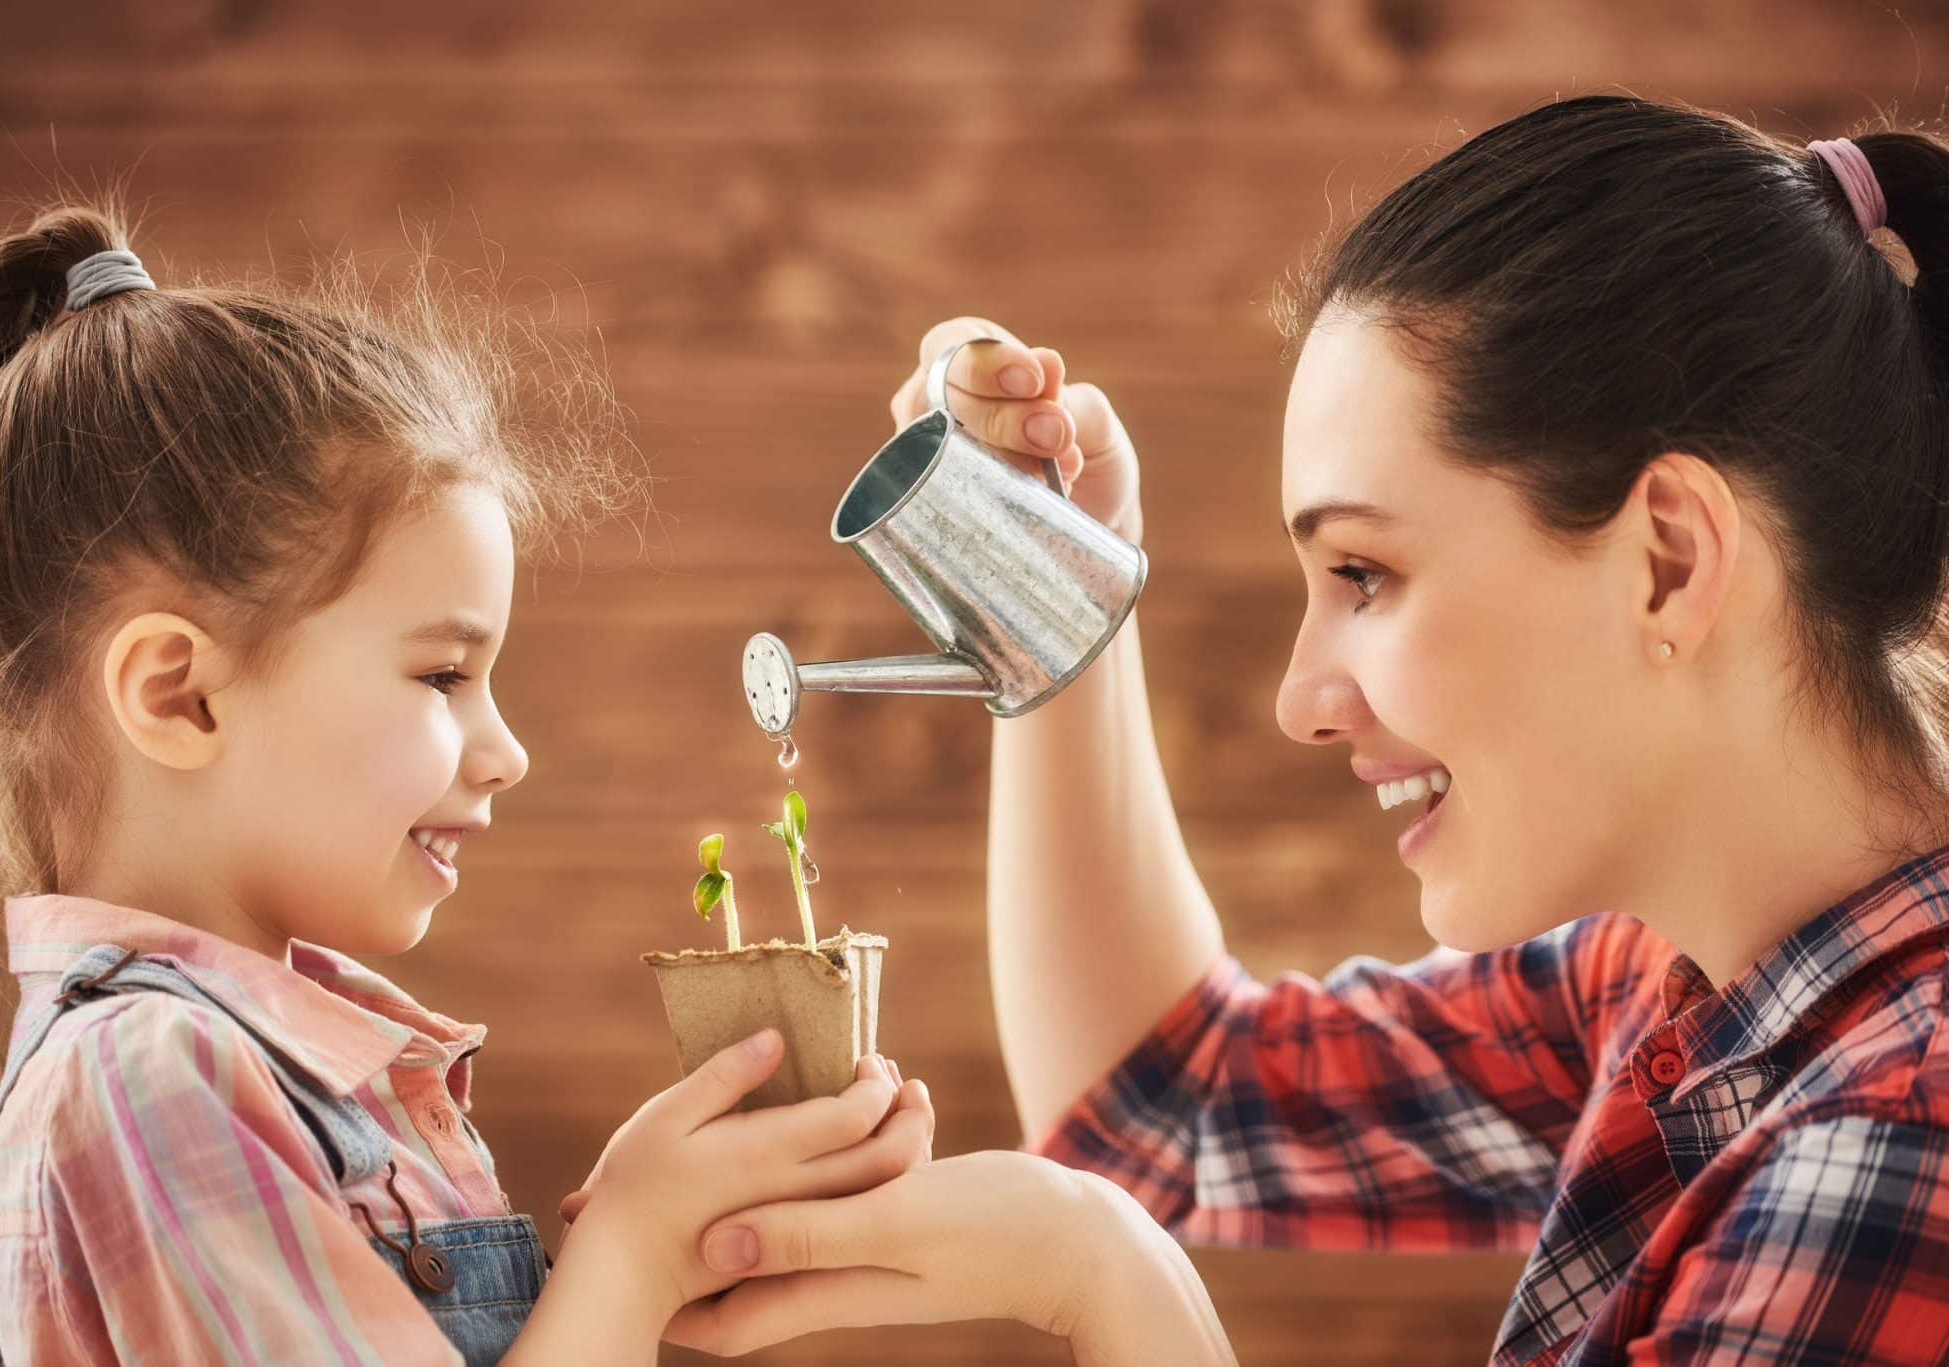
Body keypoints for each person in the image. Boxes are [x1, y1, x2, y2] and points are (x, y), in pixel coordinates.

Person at [663, 95, 1949, 1365]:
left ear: (1665, 562)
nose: (1299, 701)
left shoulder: (1886, 1154)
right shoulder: (1674, 980)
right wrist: (1057, 600)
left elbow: (1137, 1168)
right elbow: (1166, 1105)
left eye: (1364, 575)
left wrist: (1108, 1282)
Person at [0, 200, 939, 1365]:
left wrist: (665, 1240)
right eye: (444, 672)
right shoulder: (147, 1081)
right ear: (179, 694)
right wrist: (633, 1252)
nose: (508, 750)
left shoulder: (269, 1064)